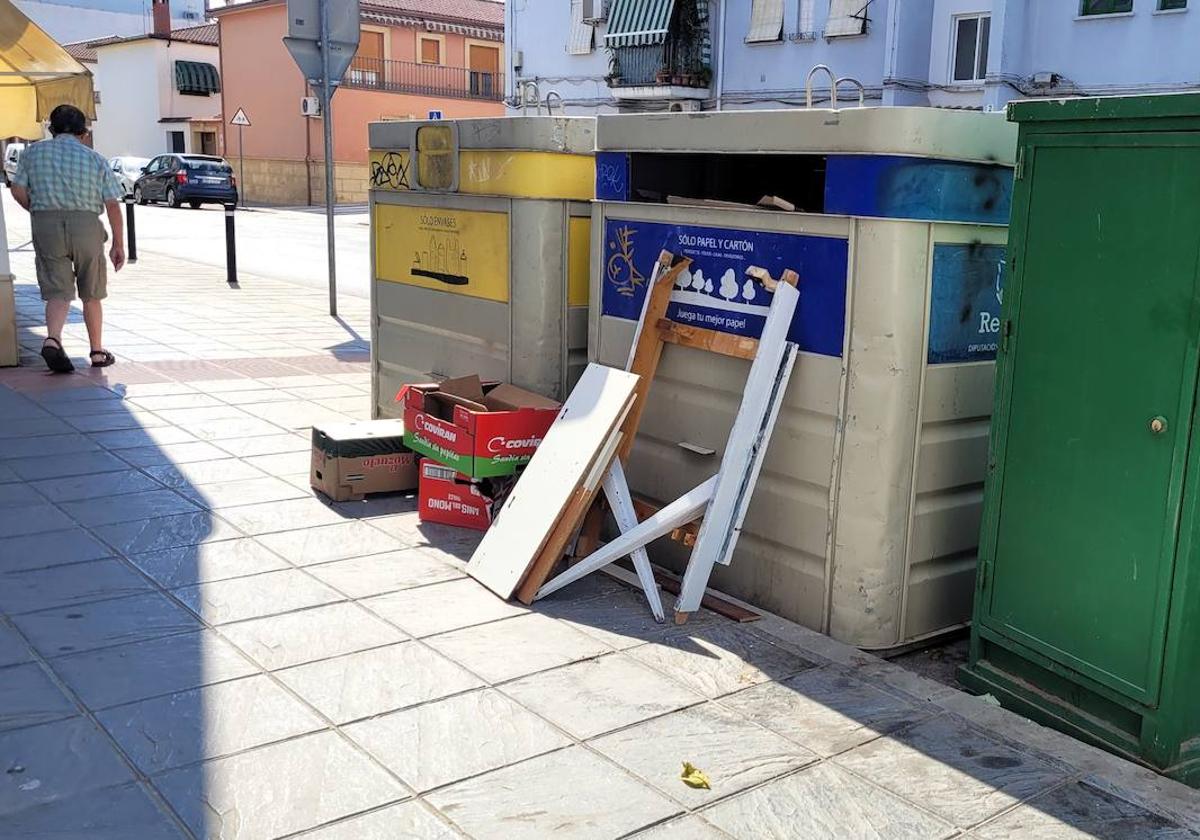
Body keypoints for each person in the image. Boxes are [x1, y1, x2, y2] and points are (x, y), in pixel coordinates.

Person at [10, 104, 125, 373]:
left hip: (46, 224)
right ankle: (97, 351)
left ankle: (53, 339)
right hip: (86, 225)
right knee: (92, 292)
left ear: (51, 130)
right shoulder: (96, 159)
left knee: (57, 290)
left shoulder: (33, 154)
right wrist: (119, 243)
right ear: (83, 132)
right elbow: (113, 204)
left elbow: (17, 189)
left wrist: (36, 209)